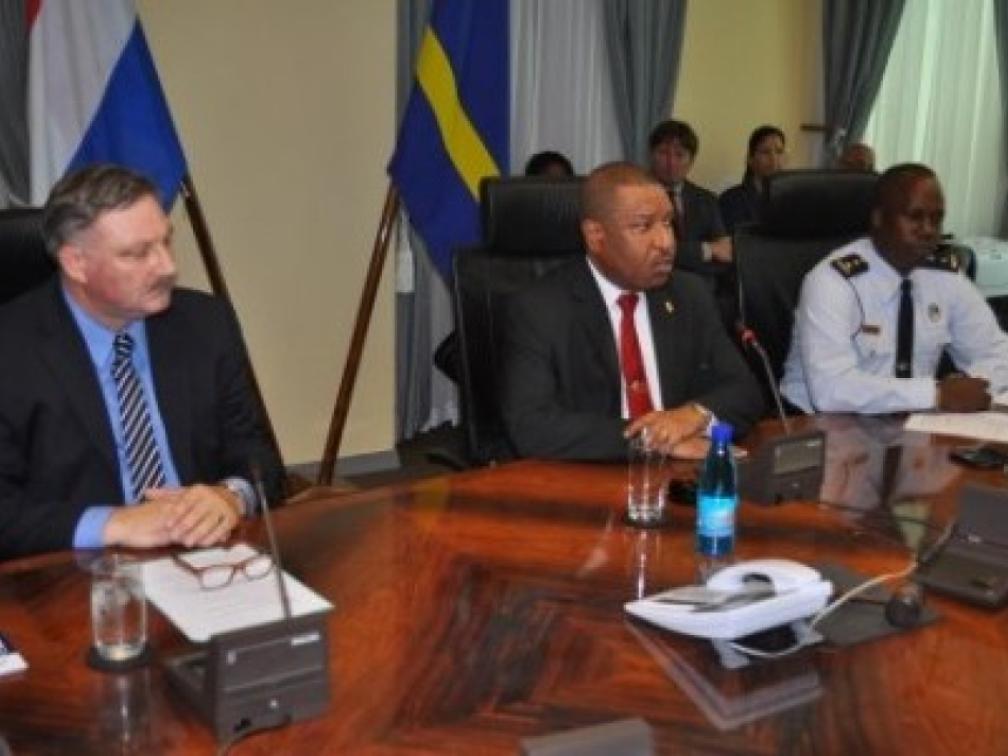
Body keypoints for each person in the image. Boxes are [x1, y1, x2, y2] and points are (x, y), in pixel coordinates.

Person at [0, 165, 283, 560]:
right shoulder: (12, 348)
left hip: (205, 557)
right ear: (76, 263)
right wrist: (115, 523)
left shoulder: (205, 322)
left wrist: (229, 496)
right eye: (137, 254)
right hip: (72, 569)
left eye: (166, 241)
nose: (167, 267)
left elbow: (257, 455)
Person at [499, 162, 764, 461]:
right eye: (642, 226)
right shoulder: (540, 308)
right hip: (591, 475)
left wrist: (695, 415)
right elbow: (531, 425)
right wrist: (652, 439)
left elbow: (745, 391)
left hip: (680, 475)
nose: (666, 243)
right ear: (596, 236)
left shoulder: (690, 294)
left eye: (667, 223)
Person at [780, 163, 1008, 414]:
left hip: (912, 424)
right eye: (915, 217)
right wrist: (936, 394)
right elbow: (829, 389)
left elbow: (998, 353)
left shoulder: (945, 277)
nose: (928, 230)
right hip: (817, 425)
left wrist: (973, 386)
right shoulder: (833, 282)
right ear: (878, 218)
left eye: (936, 219)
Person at [647, 119, 732, 275]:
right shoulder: (636, 197)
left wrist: (683, 256)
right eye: (663, 153)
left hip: (701, 284)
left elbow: (724, 254)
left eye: (679, 155)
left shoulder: (707, 200)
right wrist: (706, 250)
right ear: (651, 155)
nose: (671, 162)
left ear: (691, 161)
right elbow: (649, 249)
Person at [718, 125, 786, 234]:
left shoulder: (792, 200)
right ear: (750, 159)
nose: (774, 159)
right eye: (765, 152)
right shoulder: (731, 200)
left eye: (779, 152)